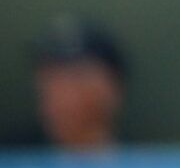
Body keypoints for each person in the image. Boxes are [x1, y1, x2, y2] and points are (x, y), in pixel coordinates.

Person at [21, 17, 127, 149]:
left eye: (76, 76)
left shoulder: (144, 162)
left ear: (112, 87)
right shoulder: (13, 162)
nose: (61, 94)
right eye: (50, 78)